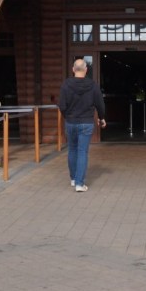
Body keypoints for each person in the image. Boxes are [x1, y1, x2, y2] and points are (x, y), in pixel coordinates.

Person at [58, 58, 106, 192]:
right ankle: (80, 183)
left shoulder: (66, 85)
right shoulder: (93, 85)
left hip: (71, 122)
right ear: (86, 70)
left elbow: (62, 105)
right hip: (86, 122)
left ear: (73, 69)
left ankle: (74, 179)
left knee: (72, 150)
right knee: (82, 152)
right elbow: (100, 104)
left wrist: (68, 116)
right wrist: (101, 118)